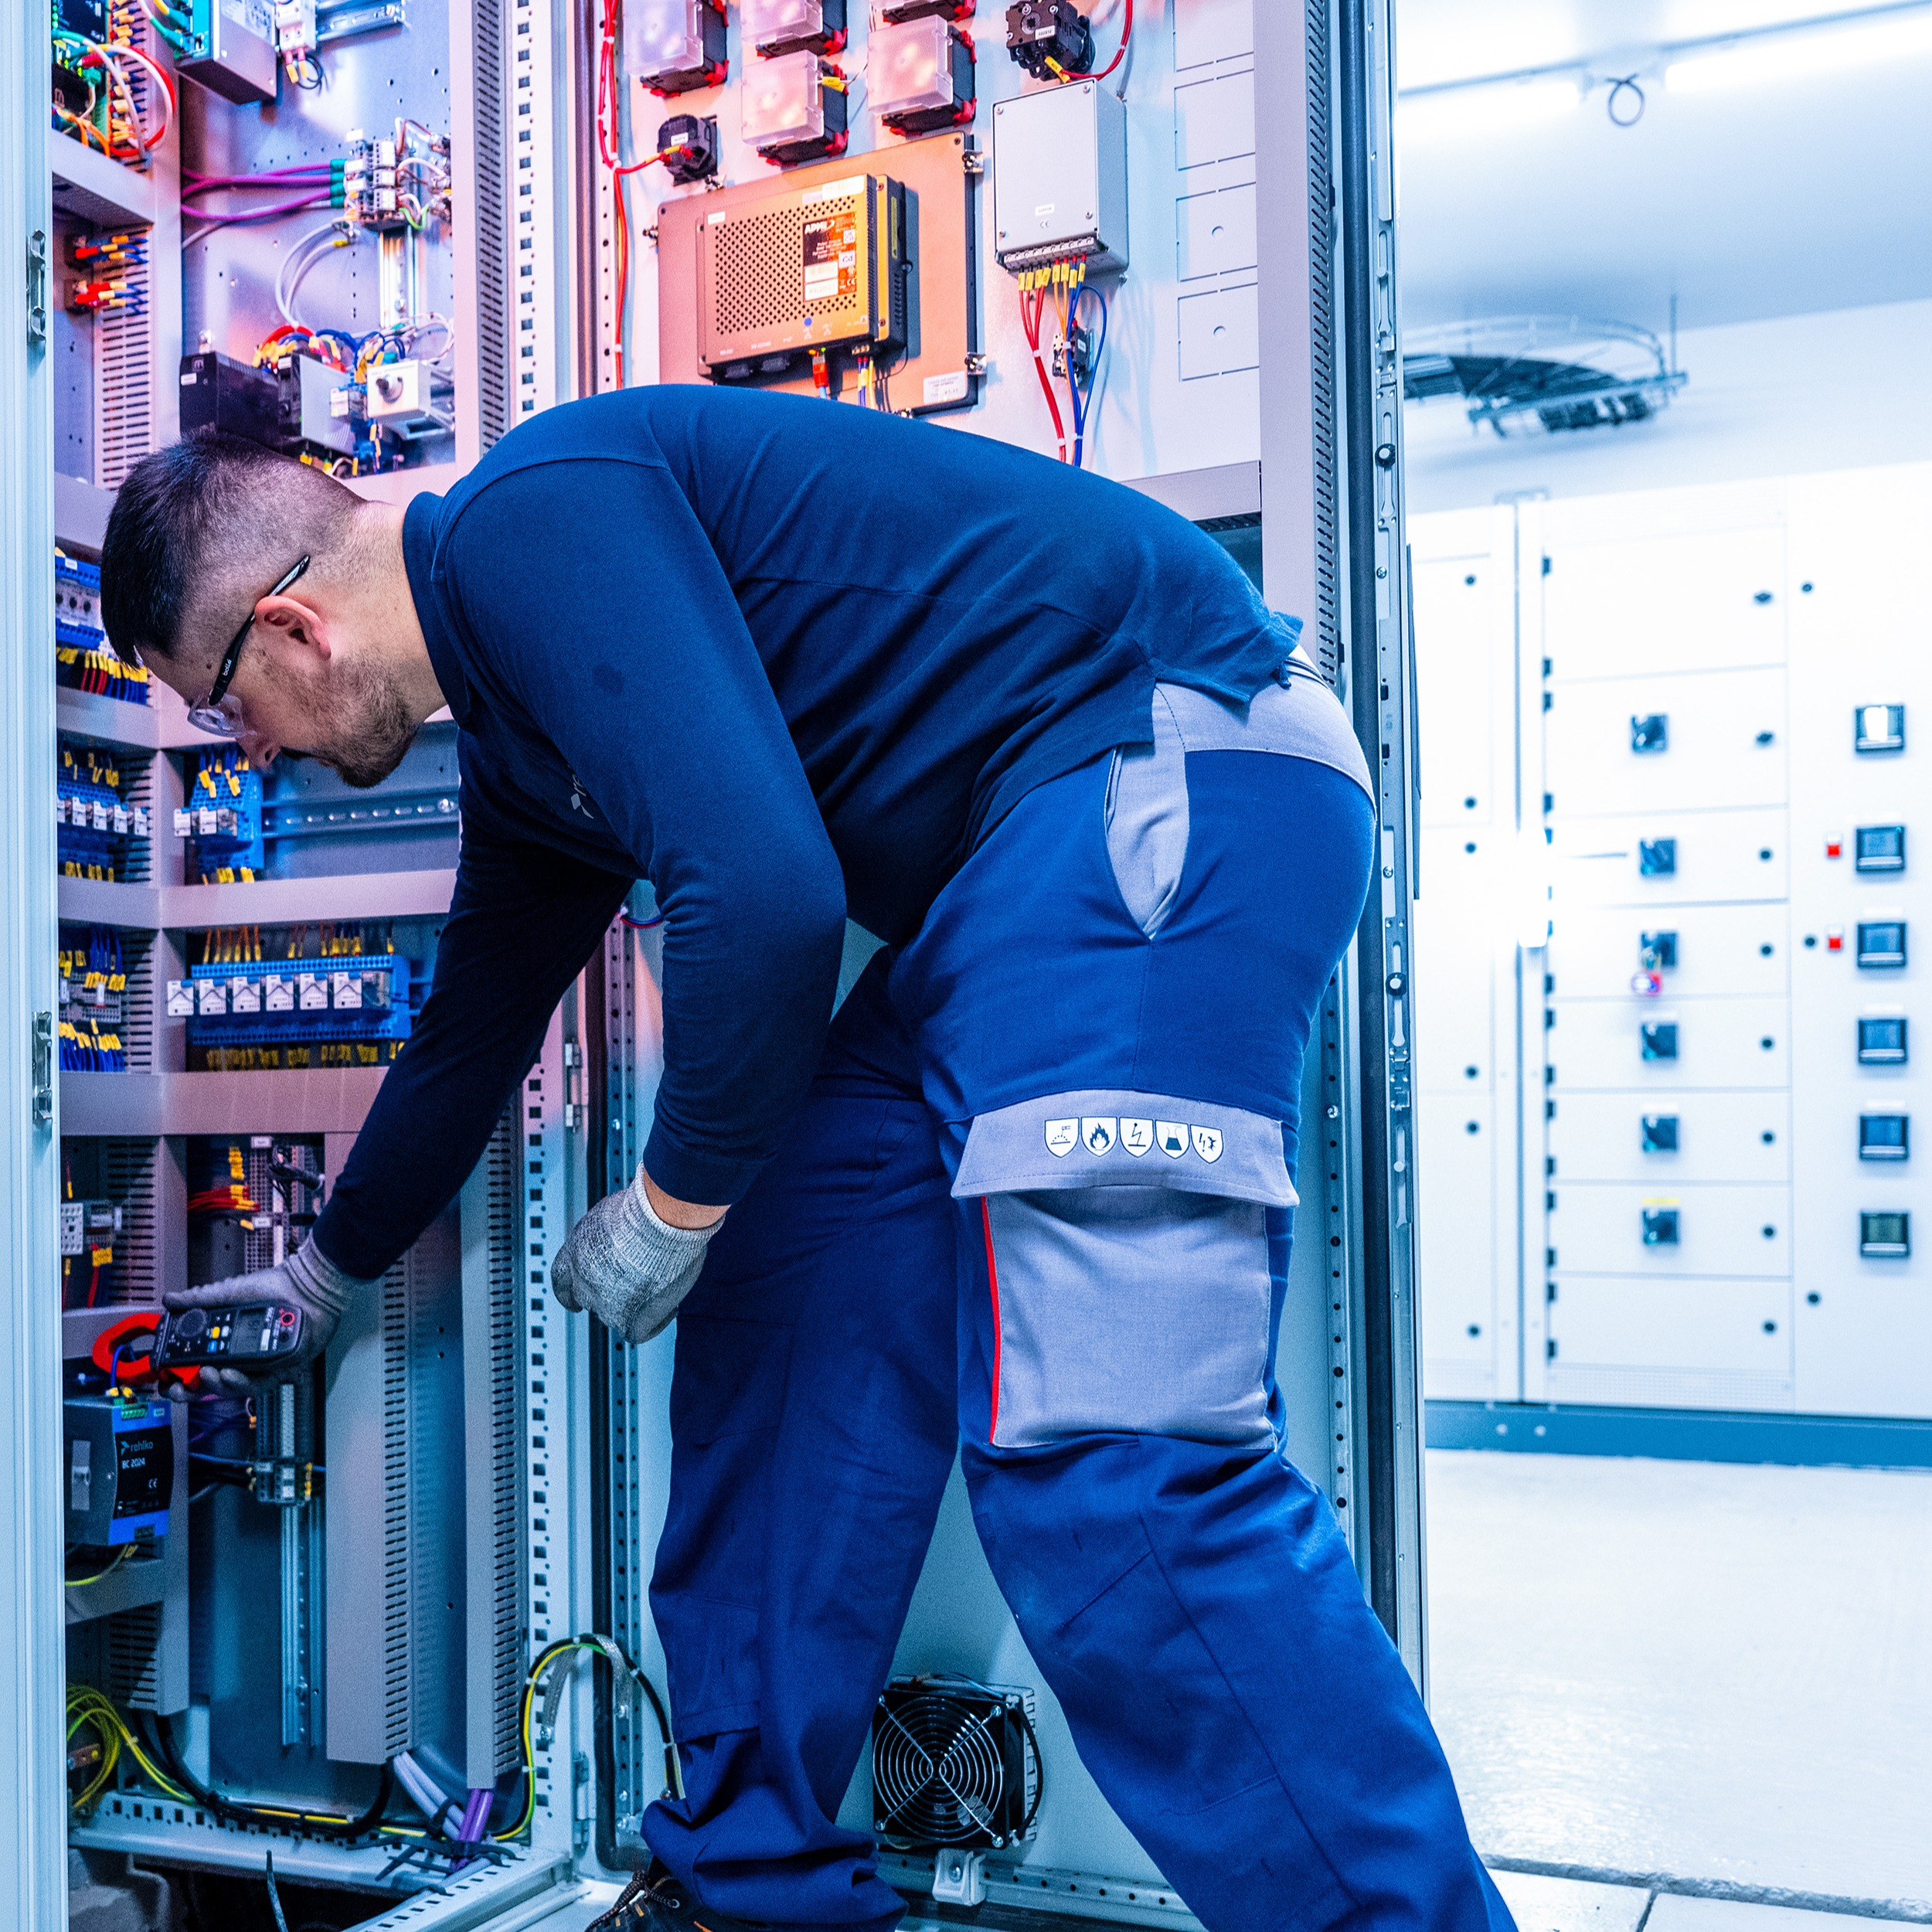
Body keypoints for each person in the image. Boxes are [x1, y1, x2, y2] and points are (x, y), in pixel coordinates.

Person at [101, 388, 1512, 1932]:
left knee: (1111, 1458)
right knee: (787, 1281)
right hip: (1009, 869)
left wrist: (663, 1203)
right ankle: (752, 1884)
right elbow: (470, 1029)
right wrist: (324, 1269)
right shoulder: (525, 736)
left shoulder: (528, 516)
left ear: (293, 628)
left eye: (219, 706)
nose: (244, 754)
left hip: (1161, 759)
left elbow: (765, 896)